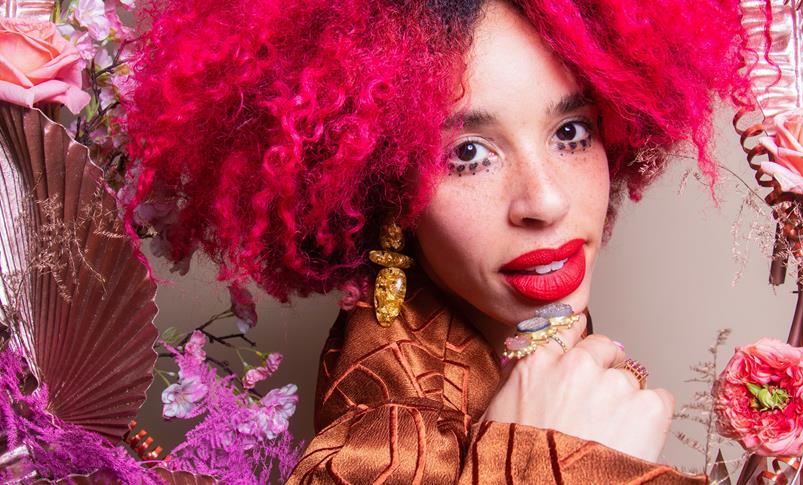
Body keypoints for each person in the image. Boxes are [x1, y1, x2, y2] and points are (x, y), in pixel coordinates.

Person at [123, 0, 749, 482]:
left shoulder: (543, 357)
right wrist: (548, 460)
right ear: (381, 182)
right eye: (469, 153)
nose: (547, 200)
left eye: (571, 131)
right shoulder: (379, 442)